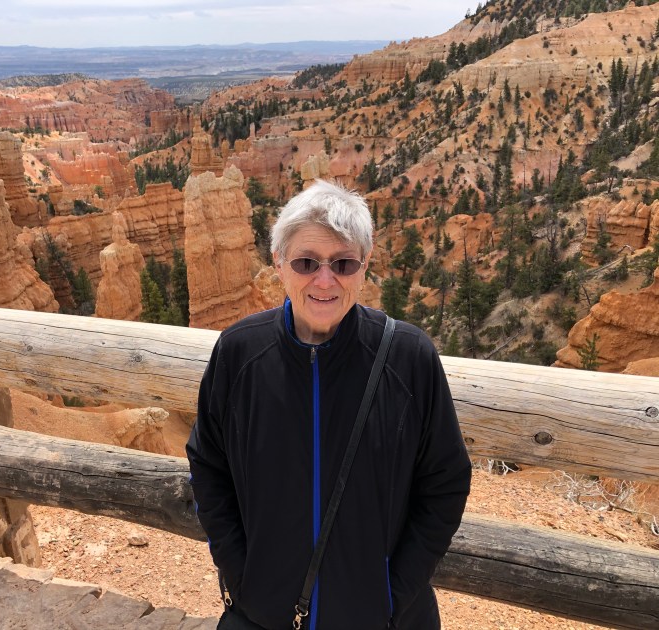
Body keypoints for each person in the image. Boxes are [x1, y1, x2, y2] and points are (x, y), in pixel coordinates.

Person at [186, 179, 471, 629]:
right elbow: (208, 466)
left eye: (343, 263)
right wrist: (243, 578)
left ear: (364, 266)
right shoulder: (239, 353)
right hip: (265, 617)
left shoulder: (409, 358)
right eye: (306, 262)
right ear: (279, 263)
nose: (324, 280)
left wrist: (392, 594)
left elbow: (446, 482)